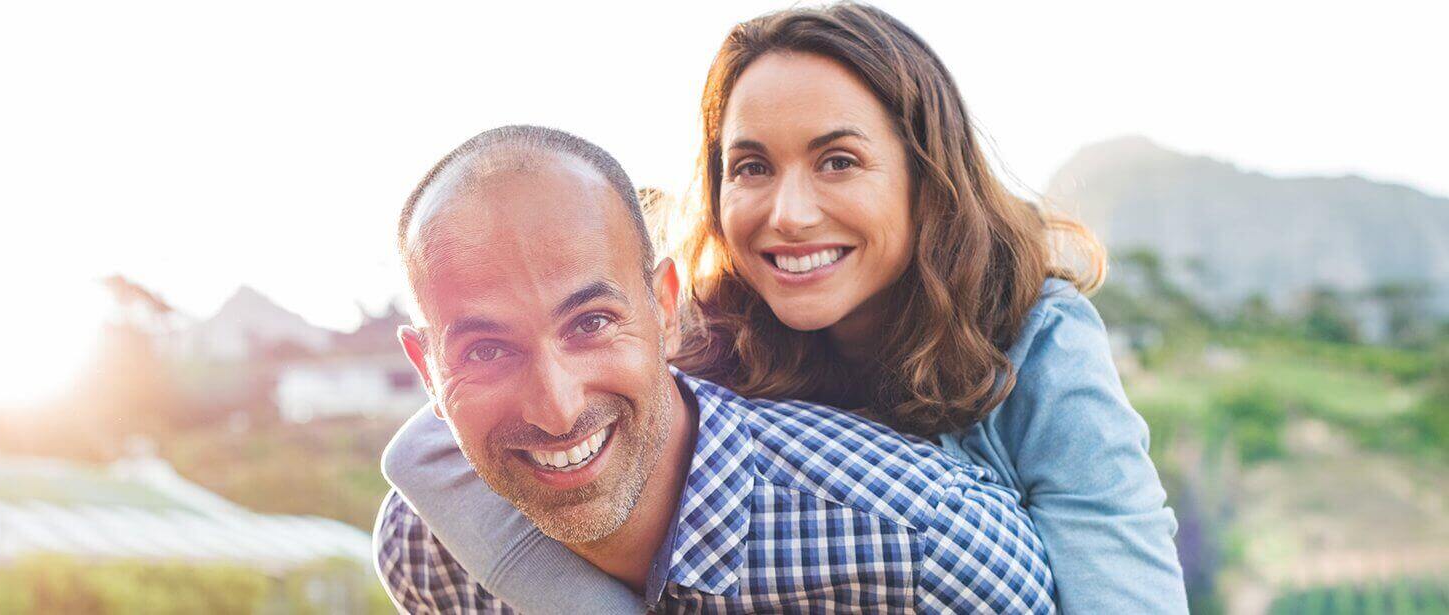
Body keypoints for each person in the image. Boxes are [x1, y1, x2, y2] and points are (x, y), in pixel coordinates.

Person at [384, 4, 1188, 614]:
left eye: (838, 161)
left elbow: (1124, 582)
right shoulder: (707, 317)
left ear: (923, 172)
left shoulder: (1035, 340)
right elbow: (428, 445)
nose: (789, 212)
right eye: (752, 167)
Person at [374, 125, 1057, 613]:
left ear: (666, 309)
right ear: (427, 371)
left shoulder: (925, 553)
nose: (555, 408)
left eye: (591, 323)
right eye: (486, 350)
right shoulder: (428, 552)